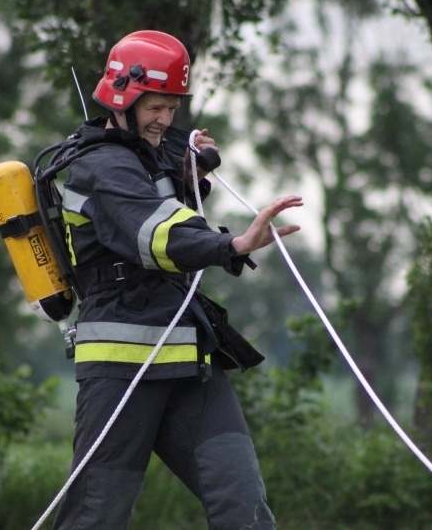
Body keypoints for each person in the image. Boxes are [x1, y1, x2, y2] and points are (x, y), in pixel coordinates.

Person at [50, 30, 300, 530]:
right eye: (155, 108)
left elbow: (168, 181)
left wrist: (192, 167)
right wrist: (232, 245)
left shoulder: (151, 156)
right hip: (122, 369)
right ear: (124, 98)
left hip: (187, 358)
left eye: (171, 107)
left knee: (244, 507)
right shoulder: (101, 167)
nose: (165, 119)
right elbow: (158, 235)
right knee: (96, 518)